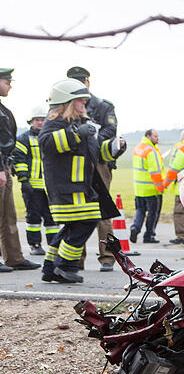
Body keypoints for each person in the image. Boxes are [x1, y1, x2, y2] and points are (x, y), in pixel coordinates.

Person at [38, 79, 126, 283]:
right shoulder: (56, 123)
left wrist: (114, 148)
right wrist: (75, 134)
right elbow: (47, 143)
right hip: (67, 187)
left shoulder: (78, 124)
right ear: (68, 101)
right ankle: (65, 266)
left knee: (73, 225)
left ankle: (51, 267)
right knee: (86, 222)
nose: (84, 105)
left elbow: (93, 153)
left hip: (81, 186)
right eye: (81, 101)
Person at [66, 67, 120, 271]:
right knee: (77, 209)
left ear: (88, 83)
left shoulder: (103, 106)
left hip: (98, 160)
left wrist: (91, 137)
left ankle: (107, 256)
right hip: (75, 162)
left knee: (103, 207)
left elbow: (110, 130)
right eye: (75, 82)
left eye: (83, 81)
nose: (80, 85)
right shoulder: (65, 106)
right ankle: (76, 258)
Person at [0, 68, 41, 273]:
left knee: (8, 215)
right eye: (6, 81)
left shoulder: (3, 109)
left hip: (4, 166)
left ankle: (14, 257)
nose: (10, 85)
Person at [12, 106, 58, 255]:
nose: (40, 123)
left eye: (42, 120)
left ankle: (53, 245)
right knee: (33, 217)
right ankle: (35, 245)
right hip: (32, 186)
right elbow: (19, 159)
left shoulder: (53, 136)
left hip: (51, 186)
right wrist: (24, 180)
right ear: (31, 122)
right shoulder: (24, 138)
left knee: (52, 218)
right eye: (37, 120)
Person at [130, 129, 166, 243]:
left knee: (140, 210)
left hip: (139, 189)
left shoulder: (138, 148)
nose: (157, 138)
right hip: (151, 189)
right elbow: (154, 172)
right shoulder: (151, 151)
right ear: (148, 136)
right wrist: (160, 187)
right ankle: (148, 236)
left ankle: (135, 228)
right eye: (155, 136)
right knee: (152, 213)